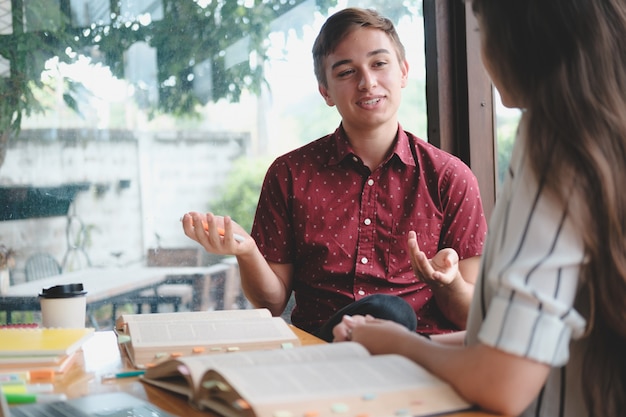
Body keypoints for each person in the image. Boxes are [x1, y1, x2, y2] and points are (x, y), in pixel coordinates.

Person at [332, 1, 626, 416]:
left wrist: (397, 343)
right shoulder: (601, 133)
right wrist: (404, 342)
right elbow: (521, 336)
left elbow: (501, 380)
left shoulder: (552, 144)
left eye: (480, 31)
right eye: (346, 71)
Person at [182, 7, 487, 342]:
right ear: (325, 91)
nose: (367, 82)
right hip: (322, 353)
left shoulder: (450, 177)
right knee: (384, 313)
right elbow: (271, 303)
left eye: (379, 64)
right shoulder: (289, 175)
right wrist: (247, 251)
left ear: (403, 72)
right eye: (345, 72)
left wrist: (448, 282)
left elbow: (467, 314)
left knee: (392, 314)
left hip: (417, 357)